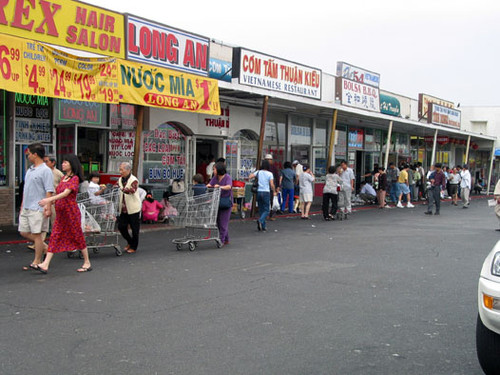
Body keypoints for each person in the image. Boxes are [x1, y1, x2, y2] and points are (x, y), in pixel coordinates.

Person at [37, 154, 92, 273]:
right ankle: (45, 263)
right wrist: (50, 204)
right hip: (60, 212)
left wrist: (49, 200)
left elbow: (66, 193)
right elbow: (59, 195)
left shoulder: (75, 178)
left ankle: (87, 261)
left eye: (66, 162)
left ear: (72, 164)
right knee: (55, 235)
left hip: (70, 212)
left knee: (77, 236)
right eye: (63, 162)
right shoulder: (64, 178)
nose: (63, 164)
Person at [19, 143, 54, 272]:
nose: (28, 156)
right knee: (23, 231)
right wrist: (22, 204)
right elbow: (26, 189)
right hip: (27, 206)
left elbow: (49, 190)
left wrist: (48, 207)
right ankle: (45, 248)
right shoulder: (30, 170)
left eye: (29, 154)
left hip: (38, 207)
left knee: (37, 234)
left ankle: (37, 260)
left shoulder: (45, 170)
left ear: (35, 155)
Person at [117, 162, 142, 254]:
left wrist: (123, 189)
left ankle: (134, 246)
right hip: (123, 208)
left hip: (133, 208)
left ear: (128, 170)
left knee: (134, 229)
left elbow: (132, 190)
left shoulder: (134, 180)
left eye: (122, 170)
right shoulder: (120, 179)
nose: (120, 172)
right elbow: (116, 186)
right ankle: (130, 242)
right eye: (120, 169)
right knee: (121, 227)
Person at [207, 162, 233, 244]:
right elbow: (210, 184)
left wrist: (220, 187)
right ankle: (226, 239)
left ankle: (221, 240)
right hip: (217, 201)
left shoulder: (227, 177)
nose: (213, 170)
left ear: (219, 169)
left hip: (226, 202)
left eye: (214, 169)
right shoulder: (215, 177)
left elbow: (229, 186)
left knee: (223, 222)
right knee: (218, 222)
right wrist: (208, 186)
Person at [249, 160, 275, 232]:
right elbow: (271, 184)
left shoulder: (259, 172)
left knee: (261, 209)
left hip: (259, 192)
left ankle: (263, 226)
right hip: (266, 192)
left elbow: (250, 176)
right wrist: (274, 190)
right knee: (267, 210)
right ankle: (260, 220)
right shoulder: (270, 174)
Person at [265, 154, 280, 219]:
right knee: (265, 201)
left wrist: (277, 186)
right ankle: (265, 214)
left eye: (269, 159)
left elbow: (277, 177)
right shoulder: (263, 168)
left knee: (271, 201)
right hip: (265, 187)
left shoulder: (274, 167)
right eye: (267, 159)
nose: (268, 161)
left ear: (272, 160)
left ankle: (270, 214)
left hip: (271, 187)